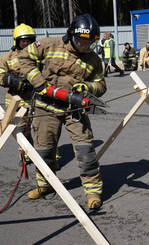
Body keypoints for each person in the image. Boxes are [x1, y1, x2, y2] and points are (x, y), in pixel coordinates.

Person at [19, 14, 106, 209]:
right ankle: (45, 185)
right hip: (45, 106)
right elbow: (24, 58)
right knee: (44, 149)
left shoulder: (93, 60)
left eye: (89, 43)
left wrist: (86, 87)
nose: (84, 46)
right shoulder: (50, 44)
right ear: (71, 35)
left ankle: (93, 192)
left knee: (85, 150)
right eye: (80, 41)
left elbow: (101, 85)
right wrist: (39, 83)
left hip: (74, 109)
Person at [0, 24, 36, 167]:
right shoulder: (7, 57)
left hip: (35, 99)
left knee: (41, 129)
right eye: (23, 41)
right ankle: (26, 155)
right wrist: (12, 80)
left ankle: (48, 158)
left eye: (29, 41)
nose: (26, 44)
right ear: (17, 41)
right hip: (16, 102)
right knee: (21, 131)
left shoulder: (39, 55)